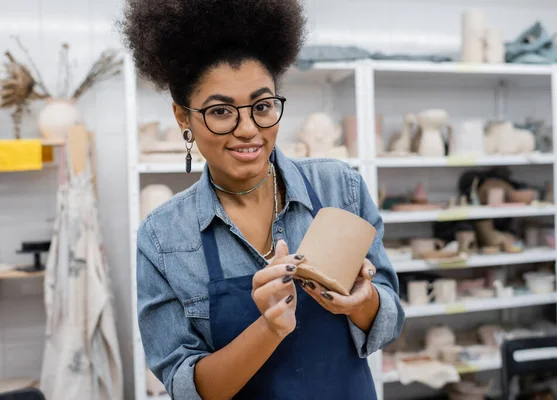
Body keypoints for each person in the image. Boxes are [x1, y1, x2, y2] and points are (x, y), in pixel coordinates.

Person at [119, 1, 404, 399]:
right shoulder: (163, 236)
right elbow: (186, 389)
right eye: (221, 111)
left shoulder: (340, 187)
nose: (249, 130)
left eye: (262, 106)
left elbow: (389, 321)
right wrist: (268, 329)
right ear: (183, 117)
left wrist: (362, 301)